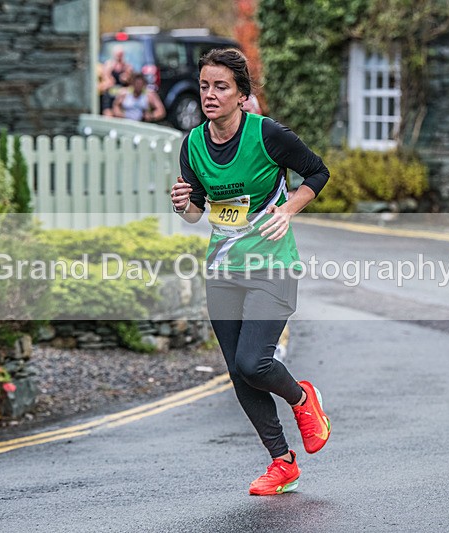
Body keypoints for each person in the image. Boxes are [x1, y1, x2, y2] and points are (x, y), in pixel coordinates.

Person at [170, 48, 331, 496]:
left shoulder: (268, 135)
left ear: (242, 94)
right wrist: (184, 205)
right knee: (238, 373)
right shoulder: (194, 144)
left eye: (221, 86)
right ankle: (282, 463)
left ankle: (302, 398)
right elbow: (198, 211)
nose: (209, 95)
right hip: (223, 269)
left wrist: (289, 209)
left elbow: (317, 172)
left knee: (253, 361)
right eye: (204, 86)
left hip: (271, 264)